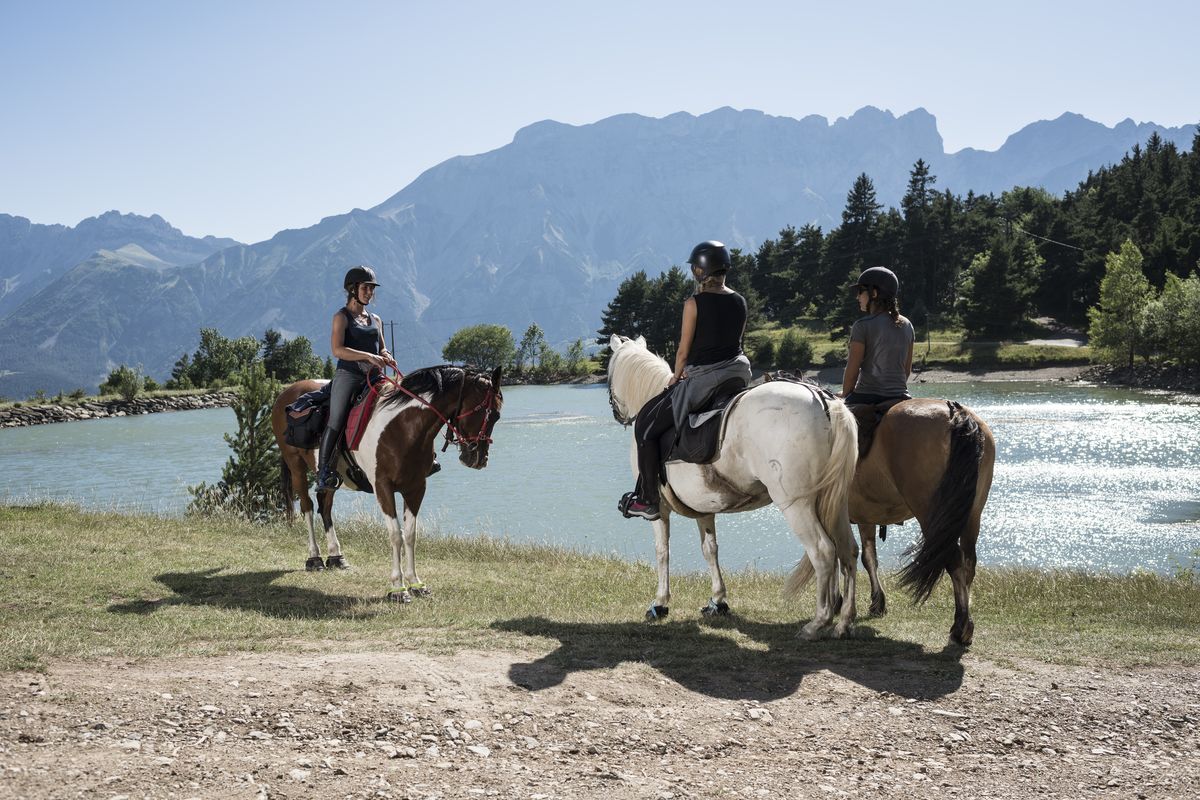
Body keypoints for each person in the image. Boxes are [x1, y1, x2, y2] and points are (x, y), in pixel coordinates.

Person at [621, 240, 752, 521]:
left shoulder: (694, 304)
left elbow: (683, 349)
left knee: (645, 426)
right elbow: (736, 341)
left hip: (705, 379)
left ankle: (648, 500)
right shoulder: (740, 301)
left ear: (700, 271)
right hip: (738, 374)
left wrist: (675, 377)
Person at [315, 265, 395, 490]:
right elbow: (337, 350)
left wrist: (386, 356)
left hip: (375, 377)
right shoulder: (341, 317)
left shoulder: (376, 319)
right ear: (352, 289)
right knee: (337, 418)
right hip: (349, 375)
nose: (370, 292)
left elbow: (383, 349)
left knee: (398, 403)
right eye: (366, 288)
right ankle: (324, 473)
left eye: (372, 289)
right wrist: (368, 356)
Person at [840, 266, 914, 405]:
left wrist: (845, 395)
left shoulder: (862, 325)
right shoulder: (908, 325)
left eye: (860, 291)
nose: (857, 297)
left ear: (873, 293)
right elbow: (906, 370)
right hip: (900, 396)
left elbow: (852, 371)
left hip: (867, 396)